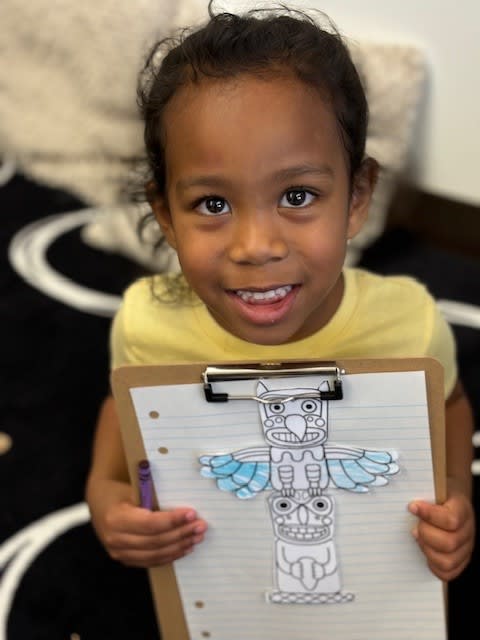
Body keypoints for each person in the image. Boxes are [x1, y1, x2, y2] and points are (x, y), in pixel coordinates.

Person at [85, 2, 475, 584]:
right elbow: (124, 413)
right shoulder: (146, 325)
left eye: (297, 196)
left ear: (357, 197)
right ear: (165, 213)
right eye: (212, 204)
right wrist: (106, 494)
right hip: (223, 586)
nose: (256, 246)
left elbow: (449, 404)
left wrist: (456, 493)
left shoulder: (410, 326)